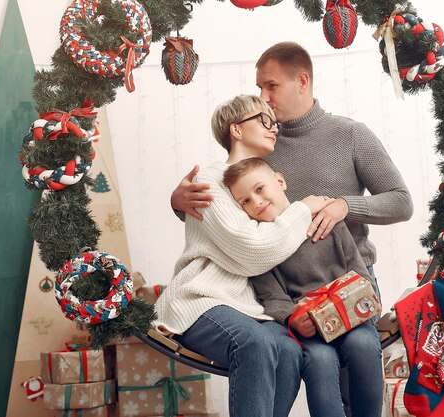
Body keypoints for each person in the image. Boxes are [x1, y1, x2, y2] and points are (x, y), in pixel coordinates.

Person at [171, 42, 414, 415]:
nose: (264, 99)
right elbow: (229, 204)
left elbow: (401, 201)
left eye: (271, 87)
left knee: (359, 367)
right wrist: (177, 202)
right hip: (290, 291)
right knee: (317, 364)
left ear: (302, 81)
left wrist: (346, 206)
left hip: (349, 279)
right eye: (259, 89)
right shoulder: (263, 143)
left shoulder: (350, 135)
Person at [153, 95, 333, 417]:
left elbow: (268, 243)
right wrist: (304, 208)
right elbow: (254, 249)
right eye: (263, 120)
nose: (273, 128)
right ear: (236, 129)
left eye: (273, 122)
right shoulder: (209, 180)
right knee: (254, 343)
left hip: (247, 305)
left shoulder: (261, 181)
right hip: (201, 299)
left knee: (291, 350)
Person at [223, 157, 383, 417]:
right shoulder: (262, 246)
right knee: (320, 361)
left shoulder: (325, 221)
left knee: (363, 345)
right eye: (245, 201)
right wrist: (293, 318)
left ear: (280, 181)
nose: (257, 202)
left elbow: (358, 270)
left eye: (260, 189)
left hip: (351, 318)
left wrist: (362, 302)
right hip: (309, 329)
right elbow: (271, 296)